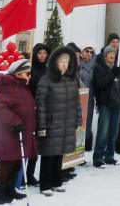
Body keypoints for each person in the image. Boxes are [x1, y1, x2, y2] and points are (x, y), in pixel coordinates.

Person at [35, 46, 82, 196]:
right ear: (55, 62)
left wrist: (77, 119)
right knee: (48, 155)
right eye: (61, 61)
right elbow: (40, 104)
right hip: (51, 123)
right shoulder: (46, 80)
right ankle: (45, 185)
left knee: (60, 153)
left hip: (66, 123)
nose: (64, 64)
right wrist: (42, 125)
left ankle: (57, 181)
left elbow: (76, 102)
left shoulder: (71, 79)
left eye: (67, 62)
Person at [0, 59, 36, 204]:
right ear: (19, 73)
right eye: (27, 73)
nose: (29, 76)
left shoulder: (22, 87)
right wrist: (16, 121)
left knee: (17, 162)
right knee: (7, 162)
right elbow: (0, 109)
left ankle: (10, 190)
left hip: (20, 133)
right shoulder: (9, 87)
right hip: (7, 133)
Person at [98, 33, 120, 158]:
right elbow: (99, 79)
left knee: (118, 126)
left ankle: (117, 148)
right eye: (112, 42)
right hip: (106, 98)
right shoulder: (100, 57)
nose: (115, 44)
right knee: (104, 127)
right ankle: (101, 153)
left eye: (117, 42)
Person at [21, 43, 50, 188]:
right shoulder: (29, 70)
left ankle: (30, 174)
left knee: (36, 145)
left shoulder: (48, 71)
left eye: (45, 53)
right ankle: (21, 175)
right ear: (35, 54)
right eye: (40, 53)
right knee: (27, 143)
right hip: (30, 110)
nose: (42, 56)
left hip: (42, 111)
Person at [92, 46, 120, 168]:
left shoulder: (117, 68)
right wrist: (112, 74)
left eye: (113, 54)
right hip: (105, 103)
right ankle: (98, 157)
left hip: (117, 104)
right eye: (109, 54)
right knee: (103, 131)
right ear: (105, 55)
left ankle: (109, 156)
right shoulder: (99, 68)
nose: (112, 56)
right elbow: (100, 84)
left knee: (113, 131)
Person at [80, 45, 97, 151]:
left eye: (91, 52)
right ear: (82, 52)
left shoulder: (96, 64)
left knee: (88, 120)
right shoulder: (77, 63)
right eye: (87, 51)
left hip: (90, 97)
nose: (89, 54)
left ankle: (87, 143)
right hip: (79, 96)